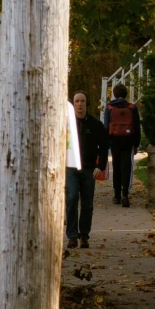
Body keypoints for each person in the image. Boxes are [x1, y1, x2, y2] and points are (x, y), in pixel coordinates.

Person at [67, 91, 105, 250]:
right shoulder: (66, 123)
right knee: (71, 198)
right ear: (73, 104)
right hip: (70, 168)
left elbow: (103, 147)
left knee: (87, 203)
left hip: (89, 169)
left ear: (86, 103)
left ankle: (84, 235)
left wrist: (100, 166)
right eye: (77, 101)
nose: (80, 104)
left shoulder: (96, 125)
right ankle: (72, 236)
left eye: (82, 101)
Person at [104, 85, 143, 206]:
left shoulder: (110, 108)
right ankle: (125, 194)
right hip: (128, 140)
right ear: (126, 94)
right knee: (126, 166)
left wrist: (106, 142)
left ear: (114, 94)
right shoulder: (132, 108)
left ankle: (116, 195)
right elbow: (137, 127)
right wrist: (136, 144)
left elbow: (106, 126)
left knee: (116, 166)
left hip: (114, 141)